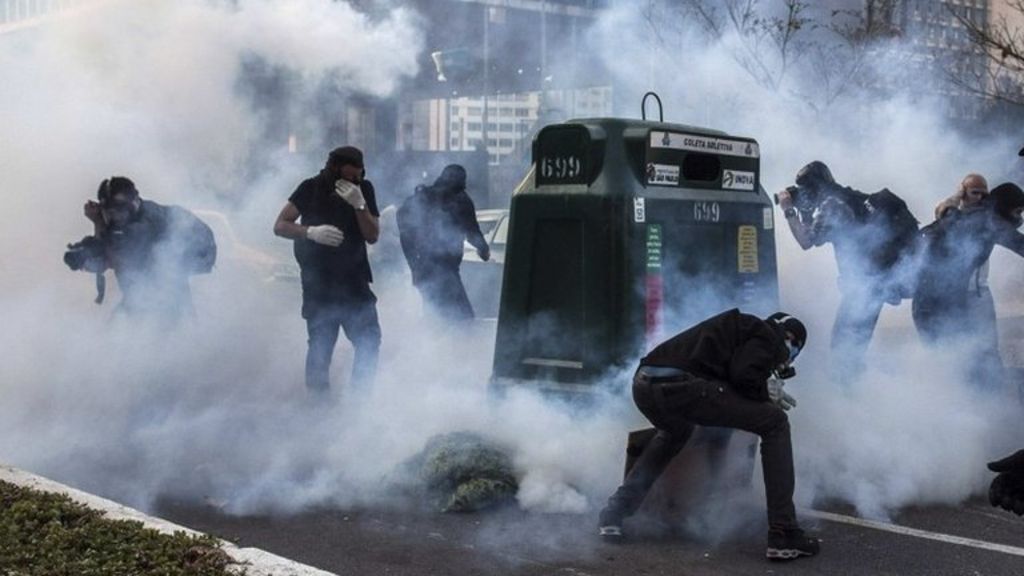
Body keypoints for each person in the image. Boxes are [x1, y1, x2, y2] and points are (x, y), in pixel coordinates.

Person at [597, 309, 820, 562]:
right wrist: (762, 391)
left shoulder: (740, 332)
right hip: (684, 387)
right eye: (793, 352)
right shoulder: (769, 336)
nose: (787, 360)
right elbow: (743, 375)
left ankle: (613, 514)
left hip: (644, 384)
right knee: (776, 423)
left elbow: (726, 393)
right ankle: (784, 532)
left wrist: (756, 389)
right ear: (790, 339)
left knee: (676, 432)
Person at [777, 161, 918, 385]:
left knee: (844, 347)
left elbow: (806, 241)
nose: (804, 194)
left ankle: (851, 396)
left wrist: (789, 210)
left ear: (814, 187)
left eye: (806, 190)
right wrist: (804, 211)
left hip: (864, 287)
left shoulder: (831, 204)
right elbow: (818, 234)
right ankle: (854, 392)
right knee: (852, 344)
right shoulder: (848, 198)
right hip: (874, 284)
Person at [273, 146, 382, 397]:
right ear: (333, 169)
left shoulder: (363, 190)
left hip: (354, 282)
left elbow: (372, 235)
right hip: (319, 283)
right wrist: (309, 232)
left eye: (358, 176)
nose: (354, 182)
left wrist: (359, 205)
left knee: (369, 341)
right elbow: (280, 225)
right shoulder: (310, 188)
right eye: (349, 177)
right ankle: (317, 405)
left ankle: (360, 400)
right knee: (321, 345)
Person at [912, 182, 1024, 389]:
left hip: (924, 305)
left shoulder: (963, 216)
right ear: (1005, 207)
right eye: (1018, 211)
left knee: (951, 368)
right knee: (972, 365)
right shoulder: (989, 222)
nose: (1019, 218)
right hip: (947, 305)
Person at [69, 176, 216, 324]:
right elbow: (108, 254)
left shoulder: (147, 221)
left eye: (119, 212)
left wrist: (97, 225)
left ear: (133, 204)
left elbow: (116, 252)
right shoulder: (122, 223)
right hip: (140, 297)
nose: (115, 218)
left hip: (165, 302)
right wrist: (84, 255)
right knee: (115, 333)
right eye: (110, 213)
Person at [397, 164, 490, 322]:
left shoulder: (419, 197)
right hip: (445, 269)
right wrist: (483, 250)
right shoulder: (460, 200)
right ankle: (449, 345)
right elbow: (472, 230)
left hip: (423, 268)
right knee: (462, 319)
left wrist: (414, 266)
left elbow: (405, 234)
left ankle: (435, 345)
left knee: (434, 315)